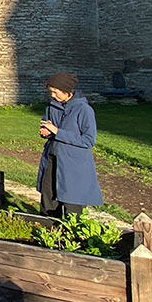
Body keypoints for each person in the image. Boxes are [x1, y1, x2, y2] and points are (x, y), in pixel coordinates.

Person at [36, 72, 102, 217]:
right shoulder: (52, 106)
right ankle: (47, 233)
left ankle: (72, 237)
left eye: (55, 92)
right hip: (52, 159)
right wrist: (45, 131)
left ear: (66, 91)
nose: (53, 95)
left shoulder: (84, 110)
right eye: (51, 92)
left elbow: (88, 140)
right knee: (48, 201)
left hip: (74, 165)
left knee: (72, 207)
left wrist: (57, 132)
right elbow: (47, 124)